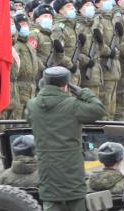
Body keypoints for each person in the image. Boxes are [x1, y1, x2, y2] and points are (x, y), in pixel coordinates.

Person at [25, 66, 106, 211]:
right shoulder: (72, 105)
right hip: (72, 174)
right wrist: (82, 92)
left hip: (47, 174)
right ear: (66, 85)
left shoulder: (32, 106)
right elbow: (99, 110)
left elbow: (31, 118)